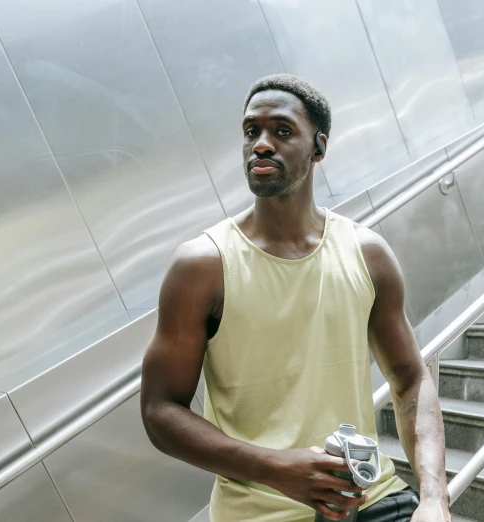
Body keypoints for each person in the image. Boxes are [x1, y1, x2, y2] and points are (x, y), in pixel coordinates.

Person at [140, 74, 450, 522]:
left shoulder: (369, 255)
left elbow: (410, 381)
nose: (261, 144)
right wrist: (274, 469)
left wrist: (434, 498)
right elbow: (160, 411)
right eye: (252, 132)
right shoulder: (202, 266)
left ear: (318, 147)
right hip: (262, 513)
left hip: (373, 498)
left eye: (282, 131)